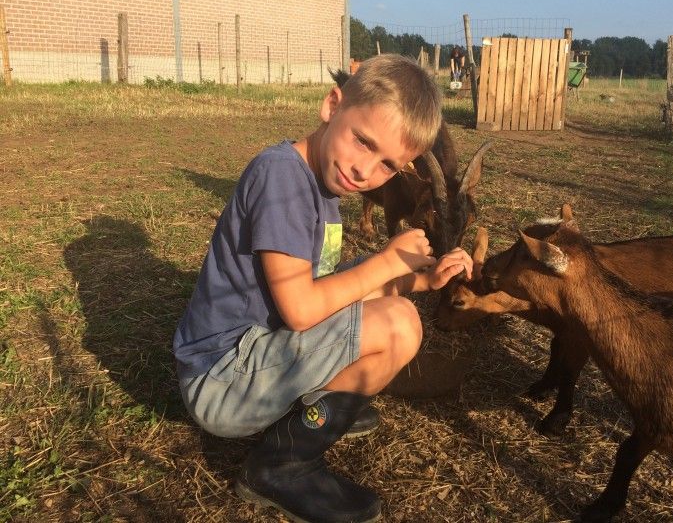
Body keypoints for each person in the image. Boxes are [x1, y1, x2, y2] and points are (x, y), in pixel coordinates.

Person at [173, 54, 473, 523]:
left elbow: (336, 286)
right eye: (362, 142)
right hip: (222, 381)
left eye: (388, 165)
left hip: (252, 358)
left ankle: (318, 413)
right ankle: (282, 466)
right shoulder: (282, 178)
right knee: (399, 324)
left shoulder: (323, 188)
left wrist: (420, 278)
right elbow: (300, 308)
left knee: (390, 299)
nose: (364, 171)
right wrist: (386, 262)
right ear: (332, 105)